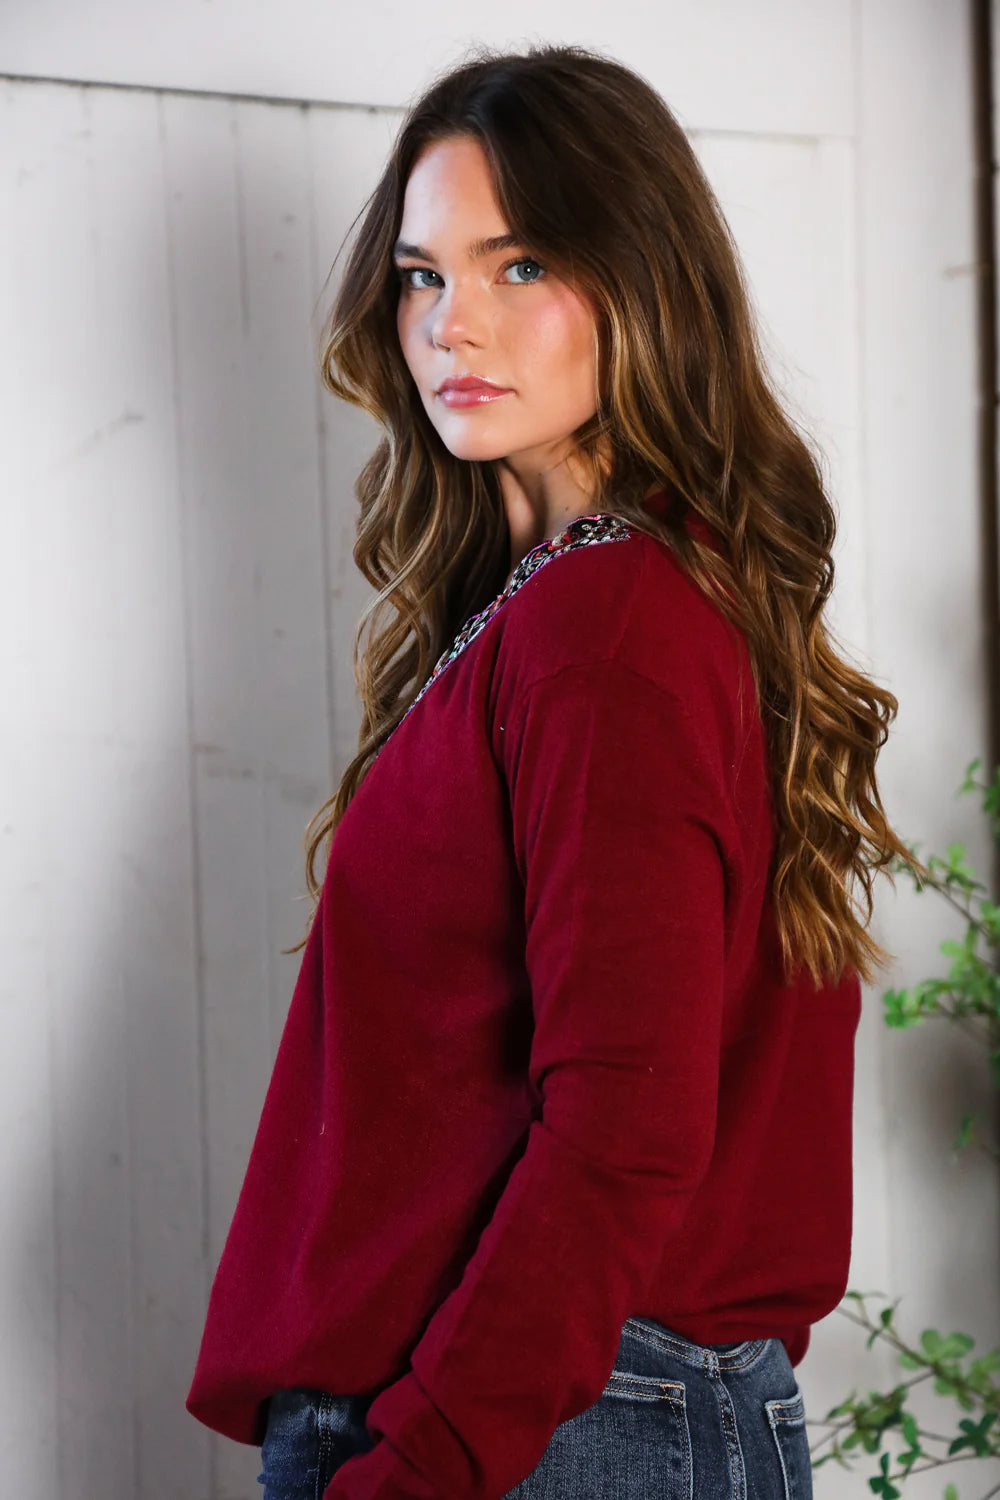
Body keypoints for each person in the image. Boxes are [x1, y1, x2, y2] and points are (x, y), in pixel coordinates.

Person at [185, 42, 924, 1500]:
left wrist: (425, 1464)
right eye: (420, 275)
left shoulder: (611, 624)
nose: (453, 323)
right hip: (572, 1413)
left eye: (518, 266)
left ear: (641, 282)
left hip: (550, 1425)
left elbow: (629, 1126)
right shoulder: (596, 601)